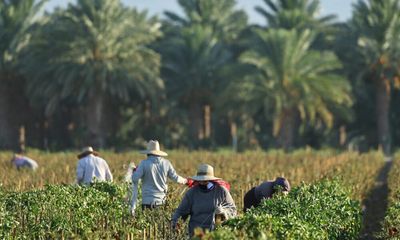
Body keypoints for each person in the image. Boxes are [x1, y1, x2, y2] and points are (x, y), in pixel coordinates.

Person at [171, 164, 237, 237]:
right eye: (200, 180)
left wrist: (224, 212)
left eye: (205, 180)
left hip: (216, 235)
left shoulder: (221, 191)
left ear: (211, 179)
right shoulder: (192, 192)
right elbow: (181, 211)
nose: (202, 182)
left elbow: (232, 209)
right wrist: (175, 223)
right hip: (196, 235)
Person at [130, 140, 189, 215]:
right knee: (159, 223)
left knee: (148, 224)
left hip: (147, 201)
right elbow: (176, 178)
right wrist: (186, 181)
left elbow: (134, 178)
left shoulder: (143, 164)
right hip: (161, 201)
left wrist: (134, 171)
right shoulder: (166, 163)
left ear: (148, 153)